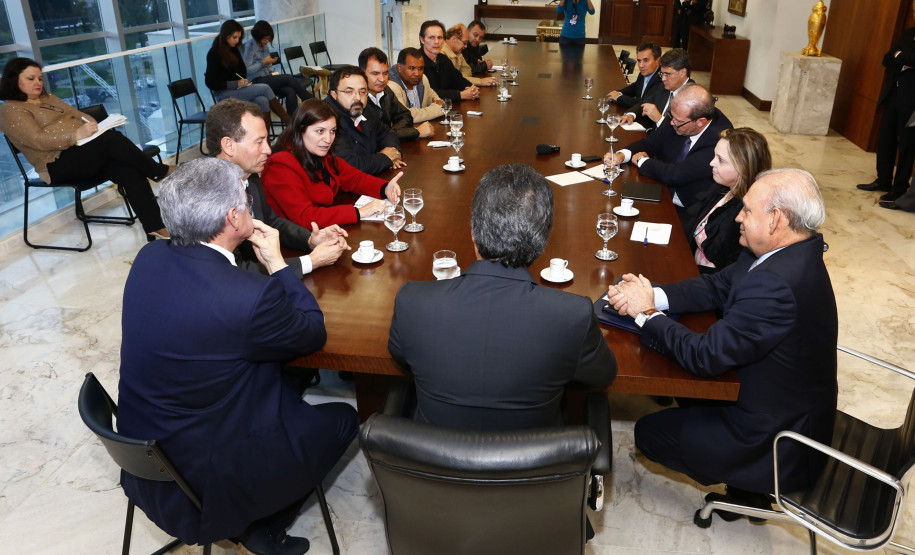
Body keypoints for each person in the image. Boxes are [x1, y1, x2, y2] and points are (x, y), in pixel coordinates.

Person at [116, 157, 360, 553]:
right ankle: (260, 528)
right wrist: (279, 264)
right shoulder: (248, 296)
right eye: (246, 201)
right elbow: (312, 332)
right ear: (233, 218)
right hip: (210, 473)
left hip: (147, 449)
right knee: (344, 418)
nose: (251, 206)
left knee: (284, 379)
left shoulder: (148, 258)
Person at [606, 168, 837, 518]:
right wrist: (653, 293)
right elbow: (716, 286)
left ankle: (749, 486)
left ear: (776, 219)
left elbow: (705, 357)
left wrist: (647, 313)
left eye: (746, 210)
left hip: (775, 434)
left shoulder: (778, 285)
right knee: (681, 379)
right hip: (775, 390)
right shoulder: (784, 251)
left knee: (650, 433)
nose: (738, 219)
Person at [388, 163, 617, 431]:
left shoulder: (413, 302)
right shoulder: (572, 315)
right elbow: (602, 374)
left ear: (473, 232)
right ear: (542, 240)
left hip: (435, 463)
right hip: (532, 464)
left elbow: (401, 357)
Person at [0, 57, 172, 240]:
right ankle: (158, 170)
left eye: (40, 78)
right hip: (55, 164)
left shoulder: (47, 97)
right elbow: (37, 140)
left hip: (81, 153)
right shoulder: (11, 110)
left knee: (127, 170)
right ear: (13, 79)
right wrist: (75, 135)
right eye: (31, 78)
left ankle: (155, 226)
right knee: (111, 140)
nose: (38, 83)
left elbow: (77, 115)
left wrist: (91, 125)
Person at [206, 98, 349, 277]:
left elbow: (272, 222)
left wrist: (311, 240)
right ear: (229, 145)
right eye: (259, 142)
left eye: (267, 140)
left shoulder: (249, 174)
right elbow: (234, 269)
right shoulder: (207, 196)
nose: (268, 149)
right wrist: (310, 261)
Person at [261, 98, 403, 228]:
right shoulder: (280, 165)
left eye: (332, 131)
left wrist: (384, 188)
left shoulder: (319, 154)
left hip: (322, 231)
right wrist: (359, 212)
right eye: (320, 131)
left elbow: (355, 179)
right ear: (300, 130)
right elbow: (306, 217)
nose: (328, 139)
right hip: (291, 244)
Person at [606, 83, 733, 222]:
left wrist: (642, 160)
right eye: (671, 116)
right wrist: (622, 155)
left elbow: (677, 174)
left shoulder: (719, 138)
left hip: (691, 208)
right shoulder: (680, 117)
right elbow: (651, 143)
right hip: (663, 190)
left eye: (677, 121)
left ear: (700, 122)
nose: (671, 123)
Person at [690, 127, 771, 273]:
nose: (711, 163)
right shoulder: (723, 189)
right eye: (715, 156)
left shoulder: (745, 213)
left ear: (743, 168)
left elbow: (723, 262)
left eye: (720, 160)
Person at [859, 3, 915, 204]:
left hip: (912, 100)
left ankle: (899, 187)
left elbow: (908, 58)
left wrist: (900, 56)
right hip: (893, 94)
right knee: (886, 140)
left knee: (907, 146)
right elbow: (886, 58)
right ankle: (883, 180)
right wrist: (902, 58)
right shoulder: (908, 33)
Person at [204, 19, 290, 129]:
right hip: (223, 93)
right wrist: (236, 83)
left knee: (262, 100)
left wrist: (241, 78)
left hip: (237, 89)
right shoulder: (214, 54)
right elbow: (211, 83)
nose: (237, 40)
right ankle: (289, 122)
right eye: (234, 37)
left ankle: (265, 142)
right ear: (226, 35)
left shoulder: (234, 49)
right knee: (265, 88)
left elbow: (242, 72)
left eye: (239, 38)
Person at [322, 65, 405, 175]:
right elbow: (348, 166)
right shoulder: (327, 121)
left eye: (362, 91)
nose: (357, 97)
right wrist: (385, 158)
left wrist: (393, 152)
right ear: (334, 95)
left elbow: (386, 133)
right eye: (349, 92)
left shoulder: (364, 109)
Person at [358, 47, 434, 142]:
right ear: (361, 73)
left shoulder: (386, 90)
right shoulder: (357, 100)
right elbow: (375, 137)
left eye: (385, 73)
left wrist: (391, 132)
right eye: (375, 73)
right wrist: (416, 131)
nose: (382, 79)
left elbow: (405, 115)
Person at [242, 20, 313, 114]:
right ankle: (311, 101)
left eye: (269, 39)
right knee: (288, 78)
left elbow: (268, 64)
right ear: (258, 36)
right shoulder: (249, 47)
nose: (267, 41)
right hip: (255, 81)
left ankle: (292, 123)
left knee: (290, 91)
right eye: (265, 39)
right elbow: (246, 70)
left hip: (267, 77)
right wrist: (262, 63)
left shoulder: (264, 46)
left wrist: (271, 68)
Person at [621, 48, 694, 131]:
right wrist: (631, 115)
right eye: (662, 74)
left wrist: (659, 119)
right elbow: (645, 103)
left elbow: (683, 132)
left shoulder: (693, 97)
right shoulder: (664, 86)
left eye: (667, 74)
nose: (663, 79)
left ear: (682, 72)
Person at [418, 19, 480, 102]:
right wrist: (460, 95)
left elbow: (458, 79)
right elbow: (429, 93)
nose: (436, 42)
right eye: (431, 37)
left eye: (440, 37)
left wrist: (472, 89)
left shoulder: (443, 59)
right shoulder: (416, 62)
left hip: (446, 108)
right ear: (422, 40)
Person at [387, 47, 445, 123]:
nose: (417, 73)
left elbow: (438, 101)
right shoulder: (390, 86)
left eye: (420, 68)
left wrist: (439, 106)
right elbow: (405, 116)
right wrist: (437, 109)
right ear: (399, 68)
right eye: (411, 68)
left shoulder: (423, 79)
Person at [607, 41, 664, 109]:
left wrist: (618, 98)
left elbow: (643, 103)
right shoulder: (645, 71)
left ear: (658, 60)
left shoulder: (662, 79)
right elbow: (635, 87)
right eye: (639, 61)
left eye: (646, 60)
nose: (641, 65)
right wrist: (619, 92)